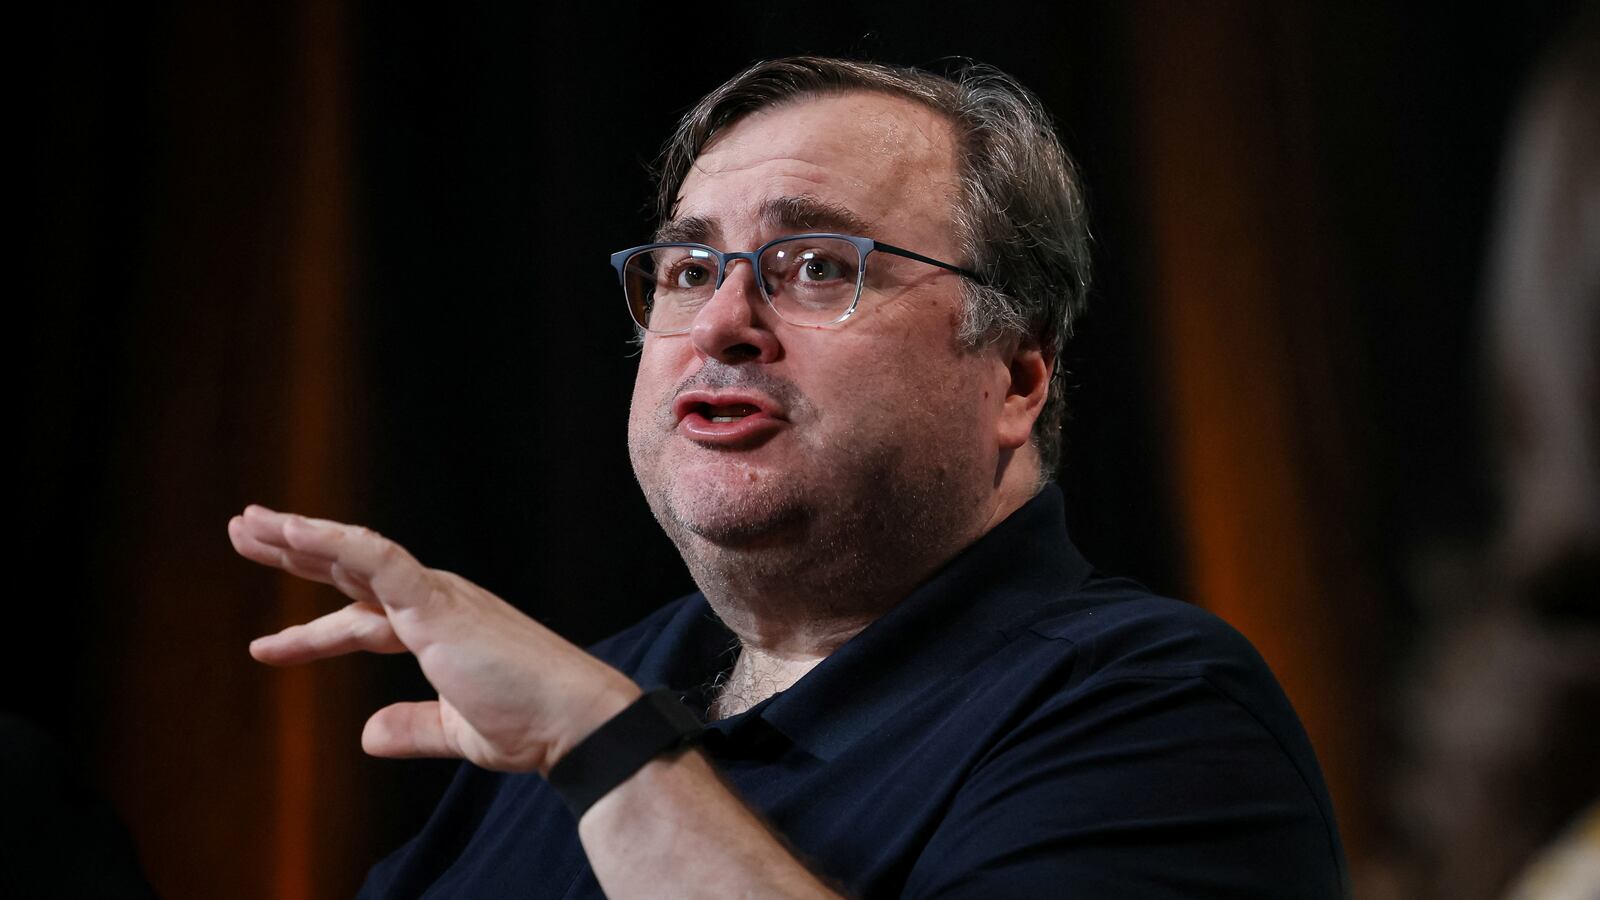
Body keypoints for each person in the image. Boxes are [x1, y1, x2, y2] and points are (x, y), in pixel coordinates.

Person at [231, 57, 1347, 898]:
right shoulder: (578, 691)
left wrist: (612, 756)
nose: (721, 321)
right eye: (686, 267)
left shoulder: (1157, 715)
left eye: (816, 266)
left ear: (1014, 376)